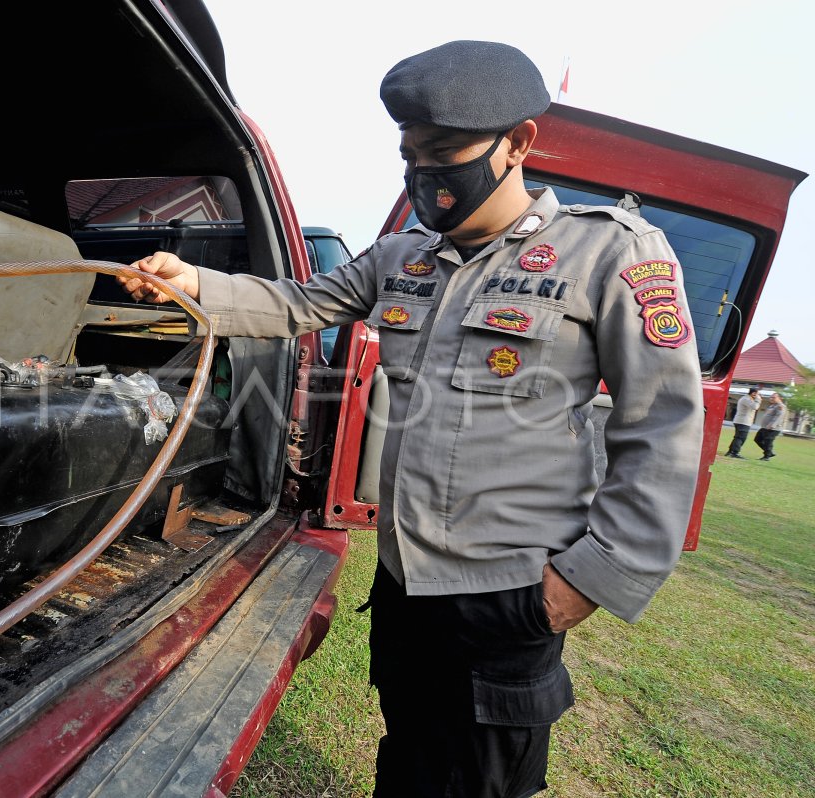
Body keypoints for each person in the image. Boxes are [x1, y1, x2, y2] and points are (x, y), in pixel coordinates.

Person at [118, 39, 703, 798]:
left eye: (443, 149)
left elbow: (663, 426)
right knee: (408, 759)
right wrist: (190, 277)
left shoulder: (610, 252)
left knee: (478, 784)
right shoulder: (404, 256)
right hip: (405, 580)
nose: (424, 170)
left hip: (512, 588)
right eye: (410, 152)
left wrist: (587, 582)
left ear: (519, 142)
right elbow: (300, 304)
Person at [726, 387, 761, 458]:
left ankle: (730, 451)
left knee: (738, 437)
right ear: (754, 393)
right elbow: (755, 407)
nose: (759, 396)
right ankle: (735, 453)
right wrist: (758, 399)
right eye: (758, 394)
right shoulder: (746, 399)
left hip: (742, 421)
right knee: (741, 437)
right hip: (743, 421)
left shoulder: (748, 399)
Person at [754, 392, 786, 460]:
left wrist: (772, 425)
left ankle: (767, 456)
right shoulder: (772, 405)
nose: (771, 398)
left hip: (773, 428)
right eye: (771, 397)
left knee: (768, 441)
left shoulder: (780, 406)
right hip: (765, 427)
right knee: (757, 439)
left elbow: (779, 417)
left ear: (780, 398)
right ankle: (769, 452)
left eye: (774, 397)